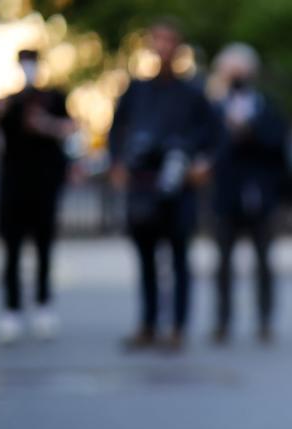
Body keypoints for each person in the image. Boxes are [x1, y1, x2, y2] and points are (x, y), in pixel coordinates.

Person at [108, 19, 217, 353]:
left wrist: (202, 164)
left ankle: (178, 326)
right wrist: (117, 163)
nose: (164, 47)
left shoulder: (193, 92)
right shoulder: (137, 91)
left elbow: (214, 137)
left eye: (170, 41)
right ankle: (148, 323)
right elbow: (117, 130)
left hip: (178, 187)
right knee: (146, 259)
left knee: (180, 258)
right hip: (143, 187)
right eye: (158, 40)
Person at [0, 49, 74, 345]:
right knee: (11, 251)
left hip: (44, 184)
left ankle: (44, 305)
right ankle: (11, 309)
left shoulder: (54, 98)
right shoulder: (7, 101)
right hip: (13, 185)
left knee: (45, 248)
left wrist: (45, 124)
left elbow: (71, 128)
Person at [207, 43, 288, 345]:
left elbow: (278, 146)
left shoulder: (266, 107)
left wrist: (250, 130)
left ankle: (265, 319)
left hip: (259, 195)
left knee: (264, 260)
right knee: (223, 262)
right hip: (227, 195)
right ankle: (223, 321)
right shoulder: (214, 108)